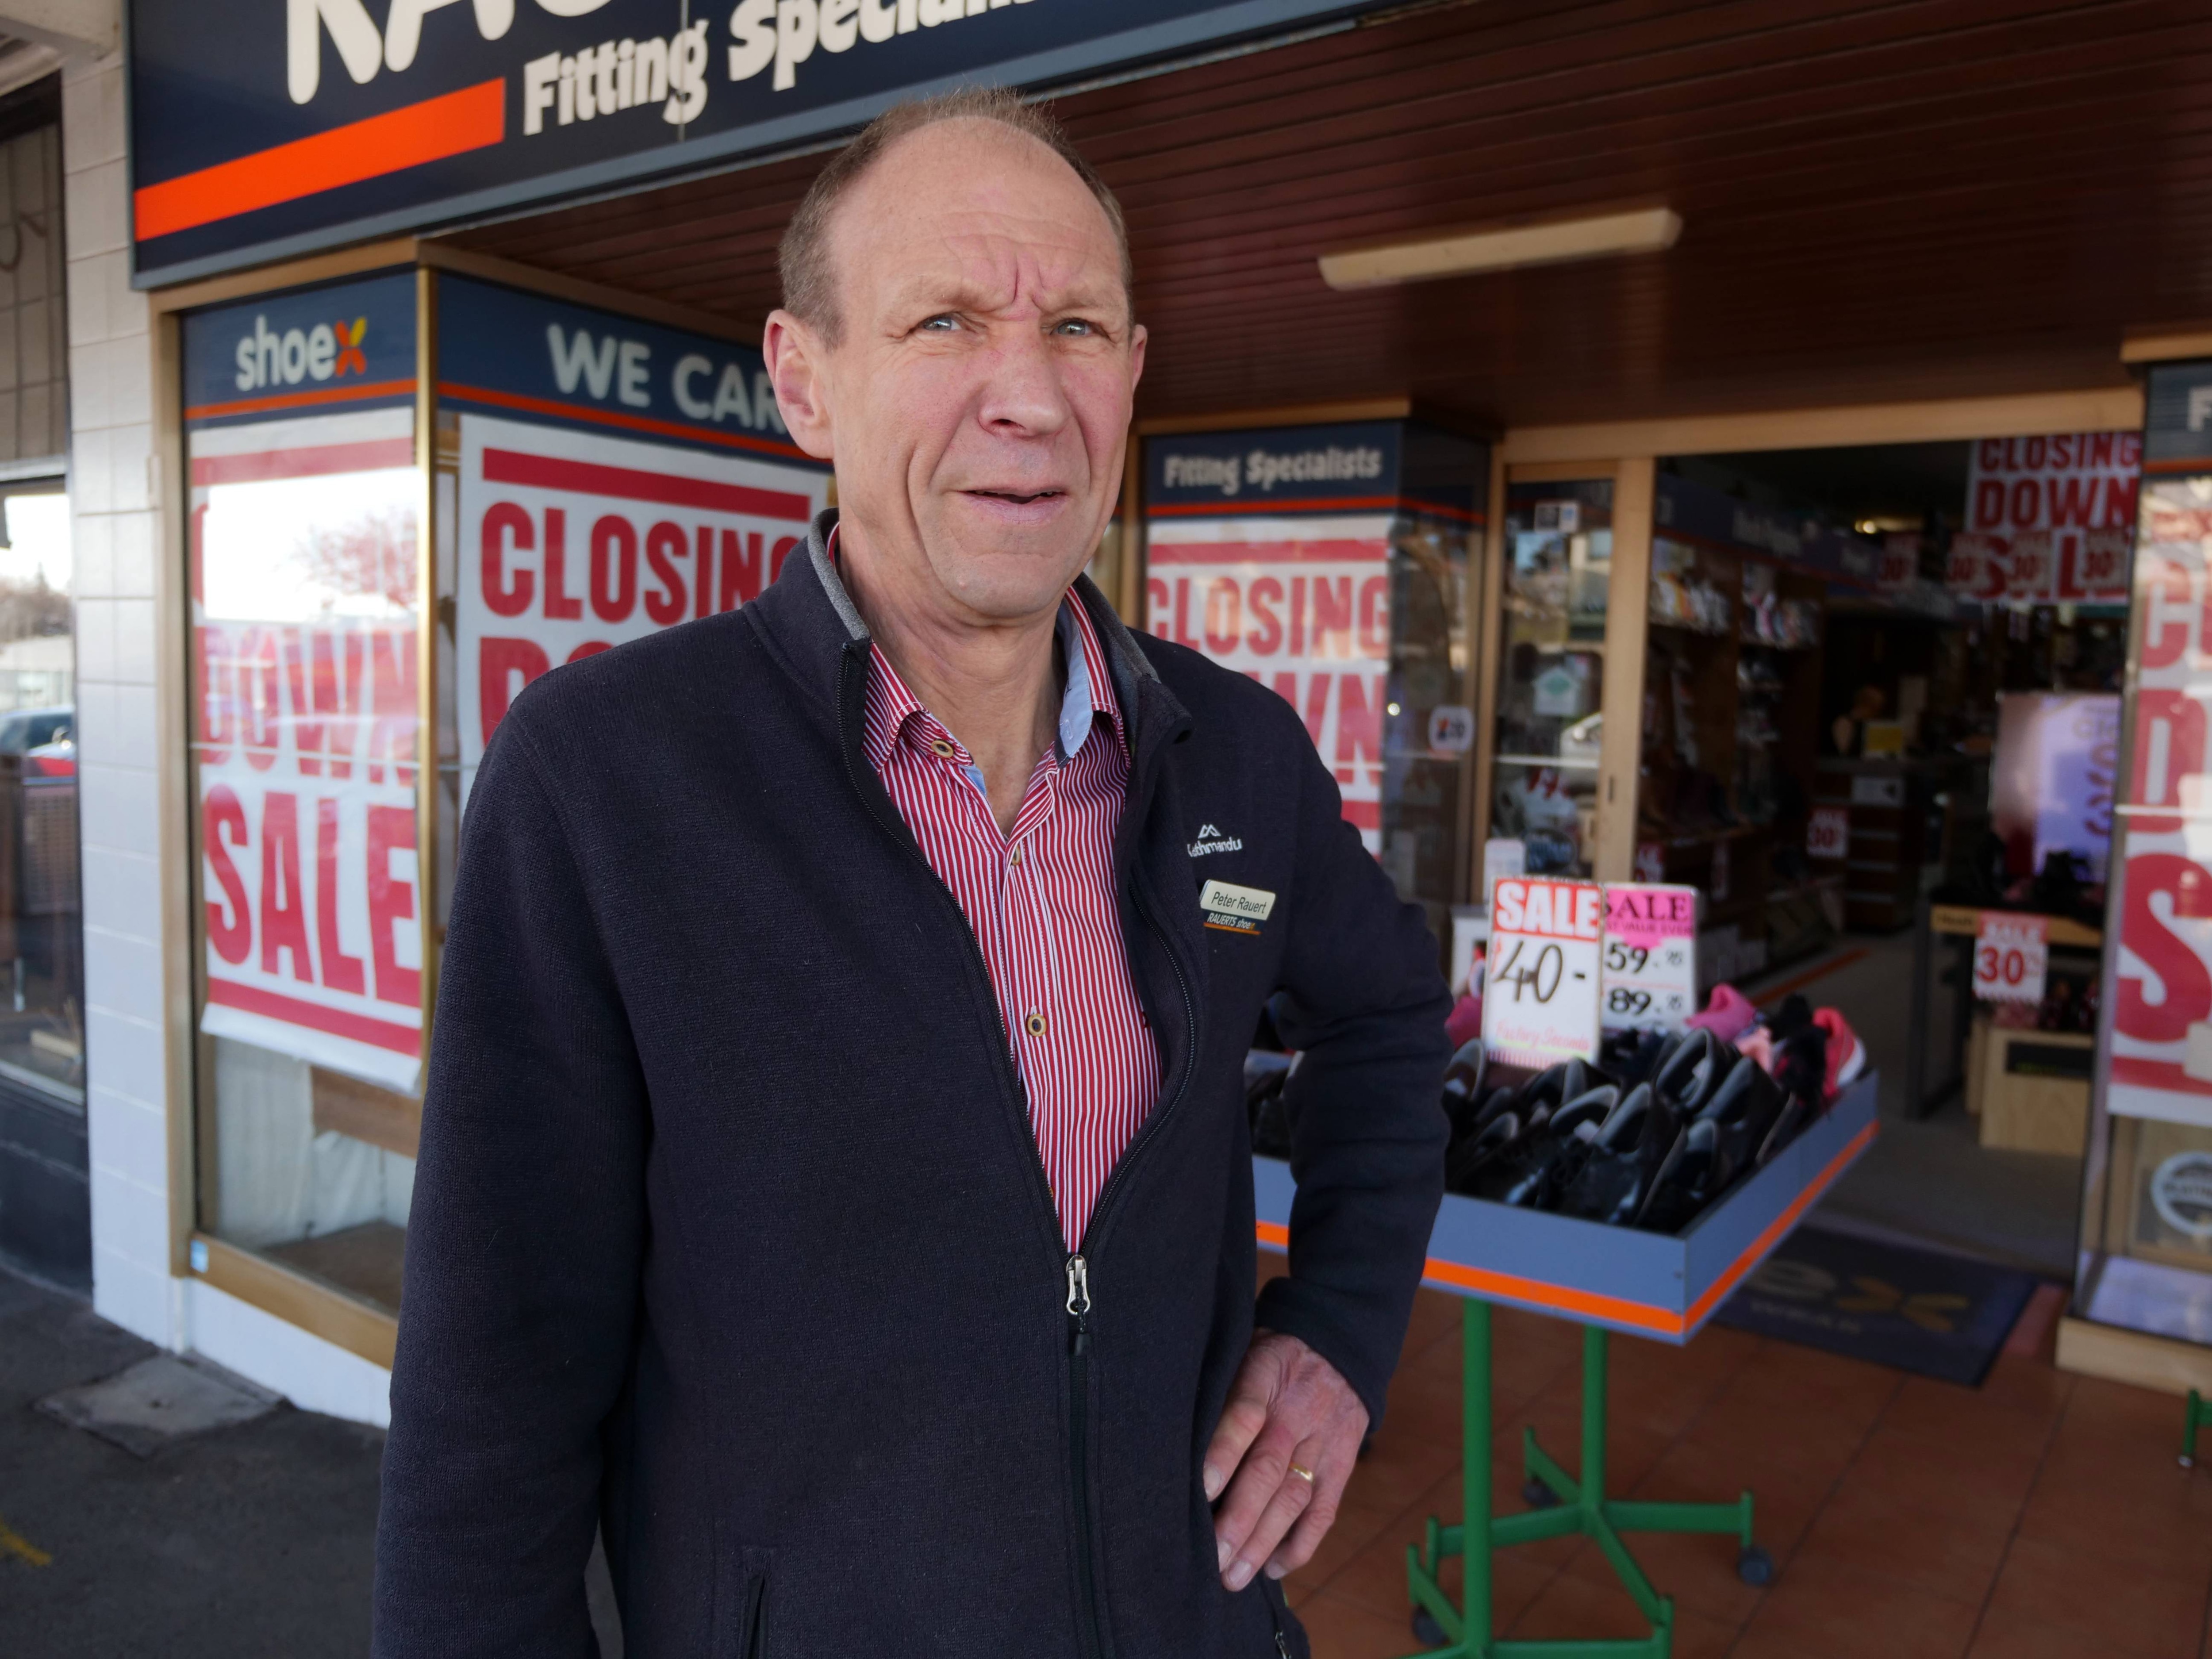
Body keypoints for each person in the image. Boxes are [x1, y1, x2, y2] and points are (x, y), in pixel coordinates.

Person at [373, 88, 1448, 1658]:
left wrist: (1339, 1334)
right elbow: (493, 1397)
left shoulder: (1238, 755)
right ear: (804, 381)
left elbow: (1392, 1019)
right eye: (945, 321)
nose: (1027, 393)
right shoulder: (609, 778)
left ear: (1134, 378)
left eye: (1078, 326)